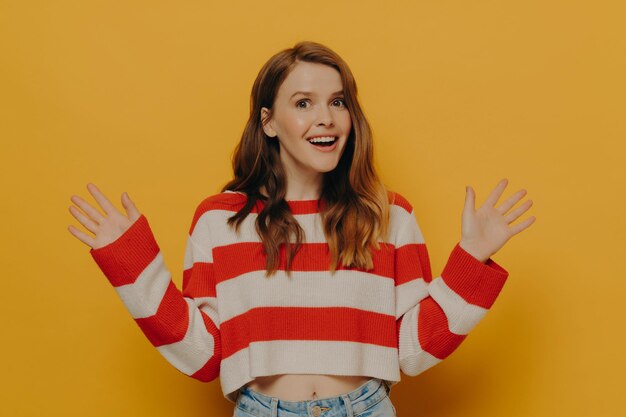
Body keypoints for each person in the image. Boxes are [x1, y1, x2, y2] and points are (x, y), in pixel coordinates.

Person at [68, 41, 535, 417]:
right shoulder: (221, 220)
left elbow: (412, 350)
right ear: (268, 122)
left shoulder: (388, 215)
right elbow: (205, 356)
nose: (325, 118)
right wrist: (132, 266)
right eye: (303, 103)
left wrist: (471, 260)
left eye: (337, 102)